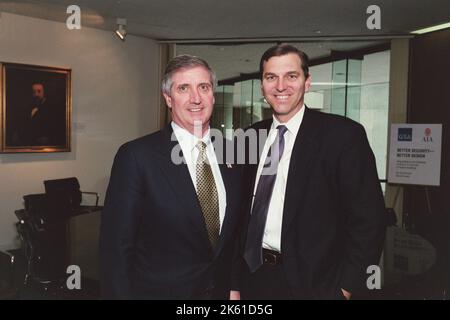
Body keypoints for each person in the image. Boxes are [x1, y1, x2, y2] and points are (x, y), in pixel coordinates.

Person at [240, 44, 386, 300]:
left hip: (316, 284)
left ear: (307, 82)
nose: (281, 86)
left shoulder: (343, 136)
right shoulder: (250, 137)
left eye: (291, 76)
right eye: (271, 77)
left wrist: (345, 288)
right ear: (262, 85)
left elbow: (369, 220)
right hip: (254, 278)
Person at [100, 55, 243, 299]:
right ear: (168, 98)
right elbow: (116, 249)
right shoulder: (136, 156)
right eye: (183, 88)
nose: (196, 98)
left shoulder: (234, 154)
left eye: (203, 87)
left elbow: (236, 237)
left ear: (213, 95)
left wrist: (233, 286)